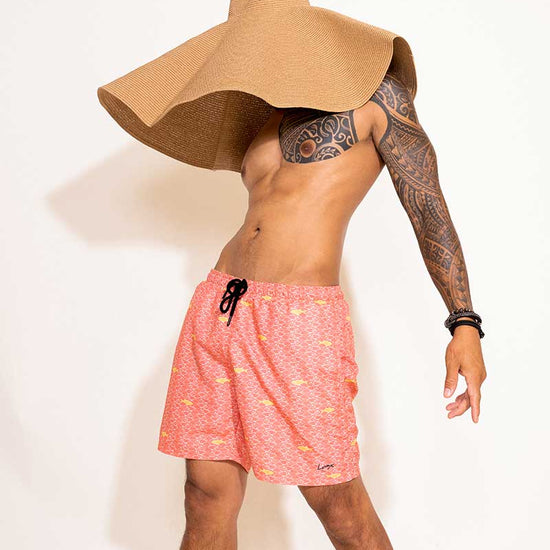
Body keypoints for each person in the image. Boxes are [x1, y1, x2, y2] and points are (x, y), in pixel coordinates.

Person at [97, 1, 487, 548]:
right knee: (204, 494)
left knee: (335, 499)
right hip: (218, 307)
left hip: (299, 321)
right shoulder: (267, 116)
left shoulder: (379, 97)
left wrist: (463, 322)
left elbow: (429, 209)